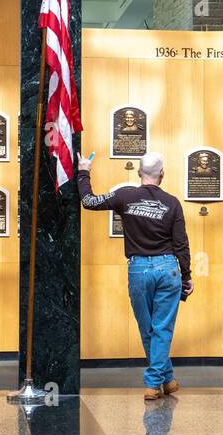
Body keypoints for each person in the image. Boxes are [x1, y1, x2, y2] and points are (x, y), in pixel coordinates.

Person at [79, 151, 192, 401]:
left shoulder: (124, 195)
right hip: (167, 268)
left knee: (147, 328)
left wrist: (84, 171)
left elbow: (88, 201)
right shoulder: (172, 203)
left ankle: (153, 384)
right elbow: (181, 244)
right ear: (162, 173)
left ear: (139, 173)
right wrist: (186, 276)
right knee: (161, 329)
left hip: (138, 269)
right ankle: (167, 379)